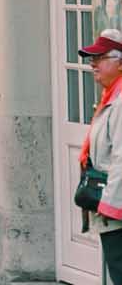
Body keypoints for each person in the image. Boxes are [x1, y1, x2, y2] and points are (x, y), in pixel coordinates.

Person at [79, 28, 122, 280]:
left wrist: (109, 205)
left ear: (119, 64)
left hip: (116, 208)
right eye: (92, 59)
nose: (93, 64)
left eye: (100, 58)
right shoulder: (110, 97)